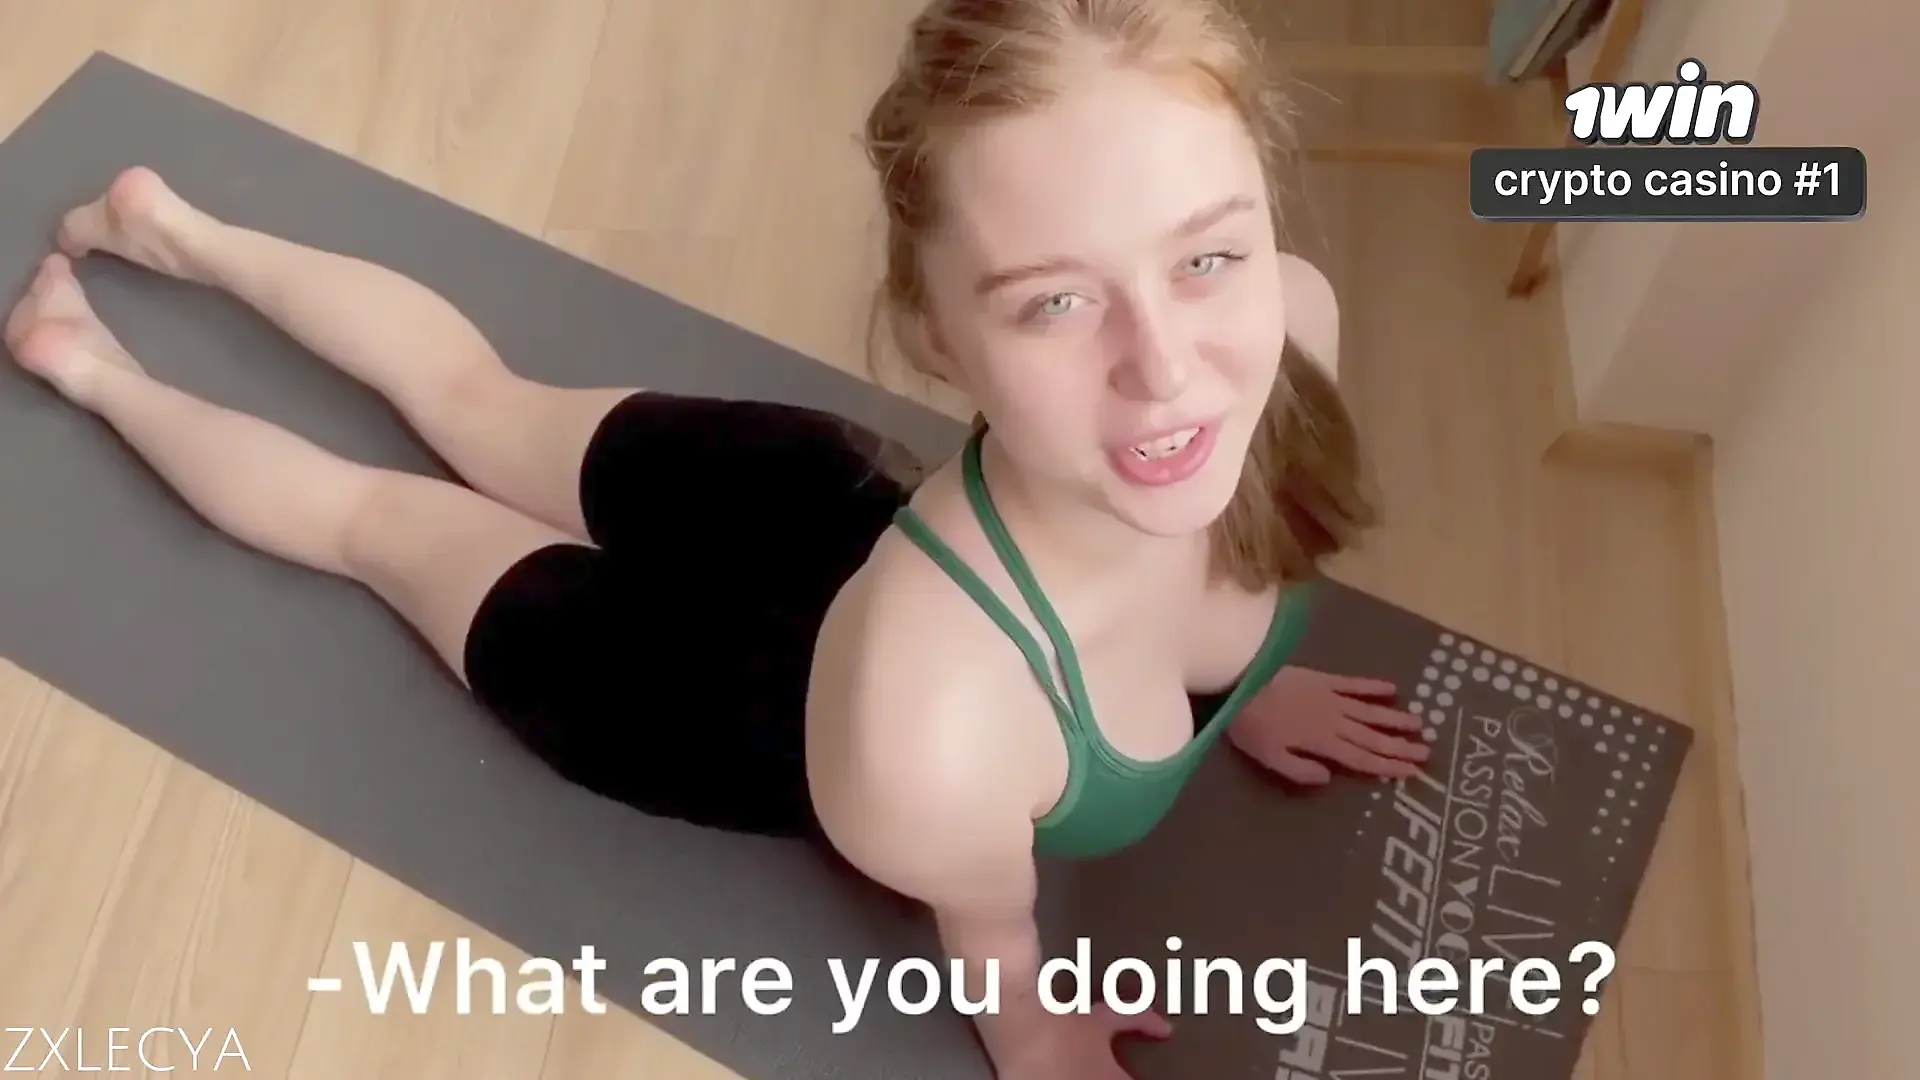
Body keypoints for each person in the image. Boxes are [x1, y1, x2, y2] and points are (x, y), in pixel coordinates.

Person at [3, 0, 1430, 1074]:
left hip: (827, 505)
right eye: (1057, 300)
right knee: (379, 512)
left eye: (1208, 255)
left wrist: (1239, 681)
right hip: (705, 703)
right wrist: (1036, 1037)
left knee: (478, 405)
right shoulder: (927, 727)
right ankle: (94, 361)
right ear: (937, 335)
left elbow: (1222, 547)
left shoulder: (1290, 330)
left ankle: (164, 223)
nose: (1171, 371)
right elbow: (995, 946)